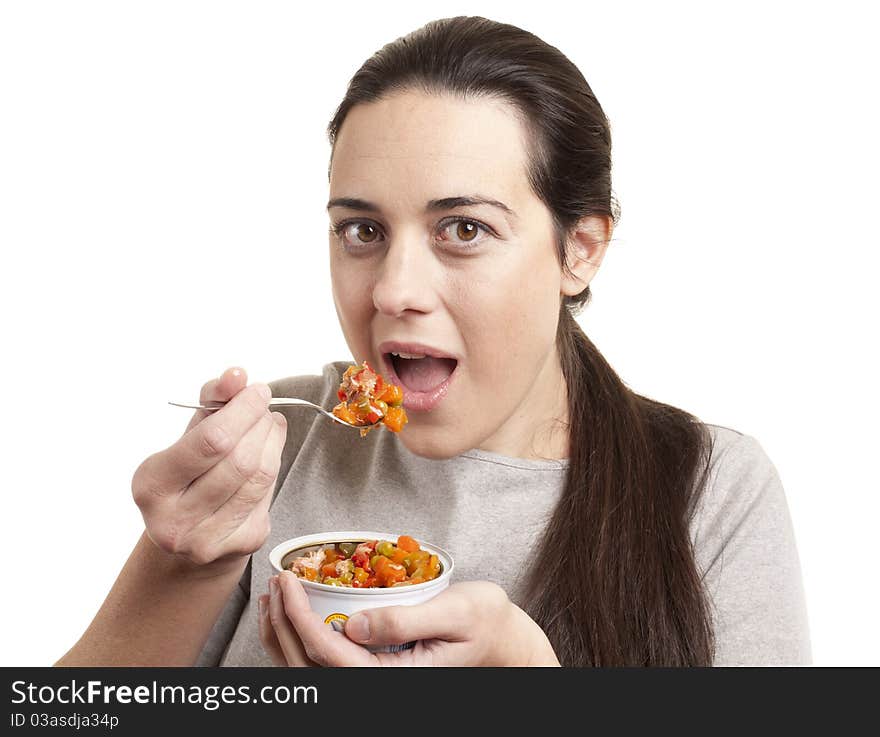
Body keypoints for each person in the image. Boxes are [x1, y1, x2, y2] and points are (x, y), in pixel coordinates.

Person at [57, 16, 810, 667]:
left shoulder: (713, 493)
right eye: (363, 230)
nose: (392, 290)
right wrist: (182, 564)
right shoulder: (274, 451)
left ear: (579, 249)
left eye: (464, 229)